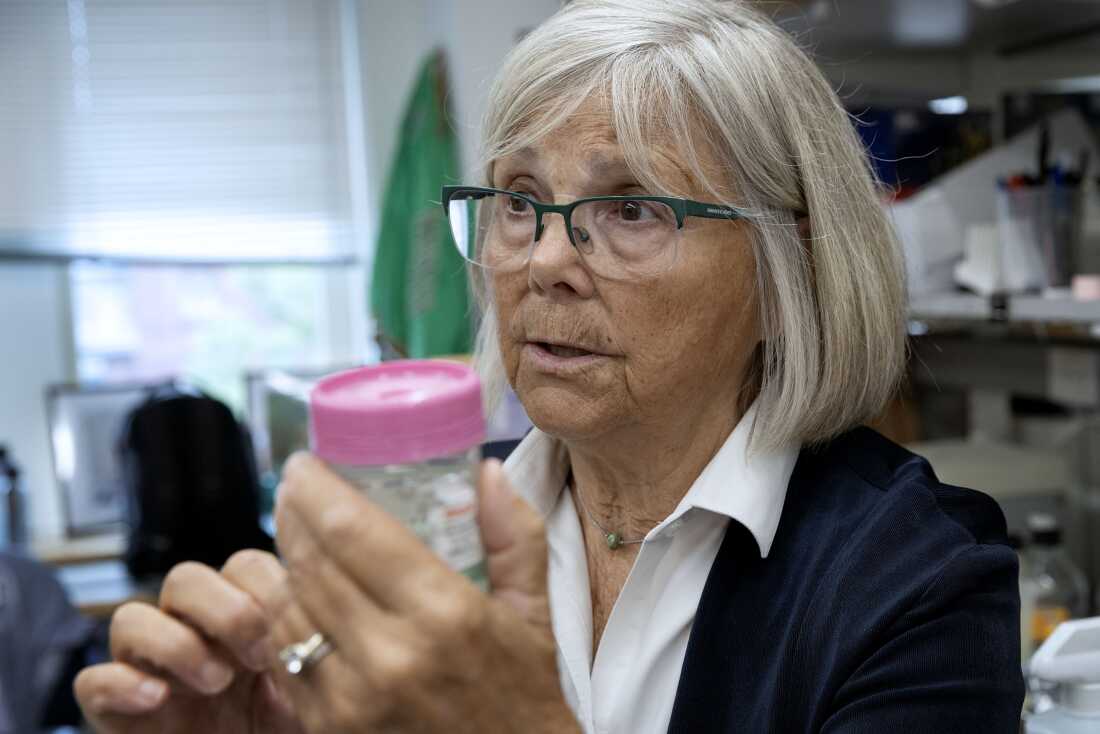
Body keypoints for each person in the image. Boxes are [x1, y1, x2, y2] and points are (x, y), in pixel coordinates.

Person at [74, 1, 1024, 732]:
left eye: (634, 209)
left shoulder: (918, 579)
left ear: (790, 273)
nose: (544, 261)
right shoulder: (426, 521)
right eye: (521, 201)